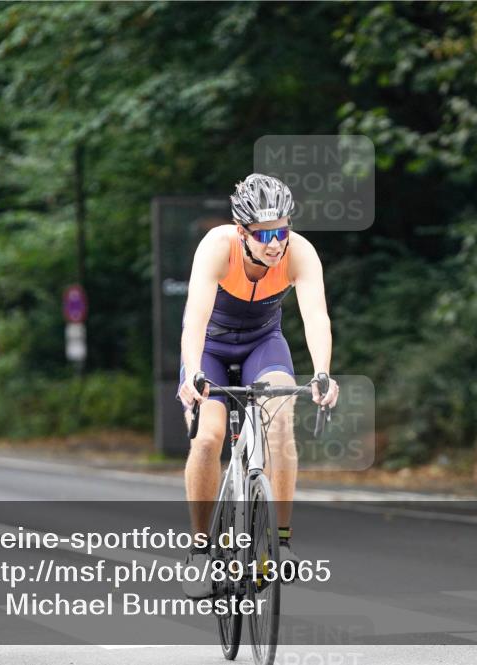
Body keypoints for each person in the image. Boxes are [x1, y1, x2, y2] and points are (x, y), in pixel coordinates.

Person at [177, 174, 339, 598]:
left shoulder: (299, 253)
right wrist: (193, 372)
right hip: (210, 349)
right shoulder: (217, 247)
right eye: (264, 234)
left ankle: (280, 543)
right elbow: (194, 319)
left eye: (282, 231)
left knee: (281, 426)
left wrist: (322, 372)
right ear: (241, 231)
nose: (275, 243)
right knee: (209, 438)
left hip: (262, 347)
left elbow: (316, 318)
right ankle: (199, 548)